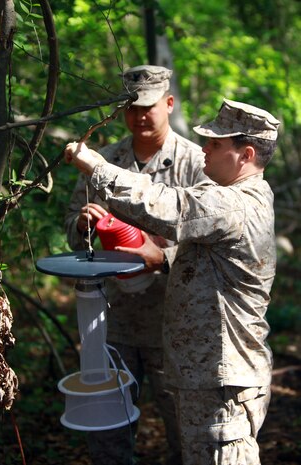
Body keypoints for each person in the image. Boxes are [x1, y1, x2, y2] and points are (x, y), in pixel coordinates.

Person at [64, 98, 280, 465]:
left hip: (222, 382)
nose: (204, 150)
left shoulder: (234, 204)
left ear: (245, 155)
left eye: (214, 144)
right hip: (210, 376)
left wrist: (97, 166)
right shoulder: (238, 198)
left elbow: (168, 207)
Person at [64, 65, 207, 465]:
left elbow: (211, 241)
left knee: (186, 429)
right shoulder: (102, 162)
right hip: (114, 322)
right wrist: (83, 224)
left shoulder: (196, 163)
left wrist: (162, 256)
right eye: (131, 108)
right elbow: (72, 231)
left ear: (169, 103)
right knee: (107, 428)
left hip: (176, 322)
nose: (140, 115)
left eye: (149, 107)